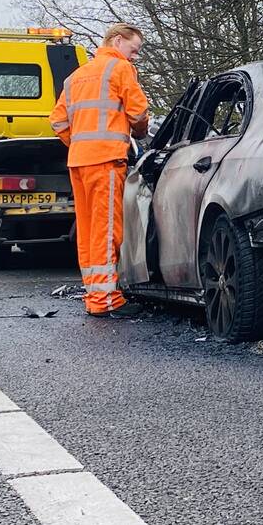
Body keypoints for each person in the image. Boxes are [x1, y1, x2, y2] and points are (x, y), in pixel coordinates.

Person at [49, 23, 149, 316]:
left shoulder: (76, 76)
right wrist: (140, 133)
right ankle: (105, 300)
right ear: (117, 41)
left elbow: (57, 121)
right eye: (133, 50)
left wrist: (79, 142)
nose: (134, 57)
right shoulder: (120, 69)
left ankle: (95, 294)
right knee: (106, 230)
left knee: (89, 230)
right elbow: (138, 112)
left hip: (79, 161)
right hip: (106, 159)